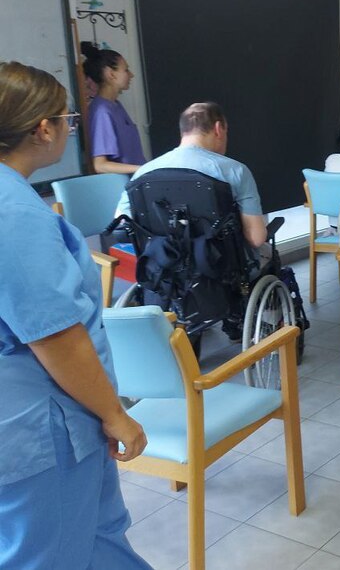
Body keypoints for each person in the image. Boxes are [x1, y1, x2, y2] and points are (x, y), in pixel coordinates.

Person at [0, 61, 151, 568]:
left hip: (44, 419)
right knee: (53, 552)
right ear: (43, 128)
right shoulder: (12, 214)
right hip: (40, 426)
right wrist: (115, 414)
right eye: (67, 117)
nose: (70, 127)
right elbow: (55, 336)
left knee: (100, 538)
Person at [116, 102, 267, 251]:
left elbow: (120, 226)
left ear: (184, 131)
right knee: (265, 252)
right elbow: (256, 238)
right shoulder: (236, 171)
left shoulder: (143, 173)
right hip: (223, 268)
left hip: (162, 269)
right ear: (218, 129)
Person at [82, 42, 146, 175]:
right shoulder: (102, 111)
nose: (131, 75)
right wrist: (143, 169)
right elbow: (100, 165)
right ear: (111, 74)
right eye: (126, 70)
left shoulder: (115, 105)